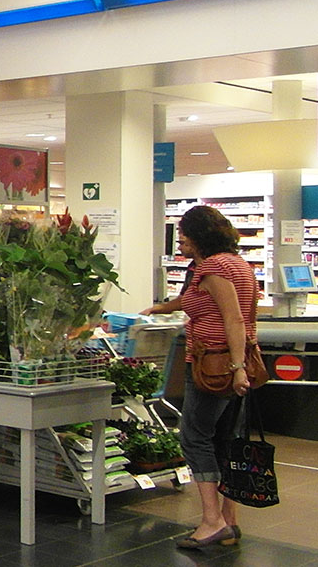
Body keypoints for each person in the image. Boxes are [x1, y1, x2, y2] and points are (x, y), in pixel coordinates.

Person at [141, 205, 258, 550]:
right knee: (225, 440)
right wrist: (160, 308)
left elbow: (233, 319)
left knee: (194, 437)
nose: (180, 241)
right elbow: (201, 302)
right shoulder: (238, 264)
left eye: (183, 235)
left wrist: (236, 367)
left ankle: (211, 521)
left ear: (199, 236)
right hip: (234, 363)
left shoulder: (214, 267)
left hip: (215, 366)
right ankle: (230, 520)